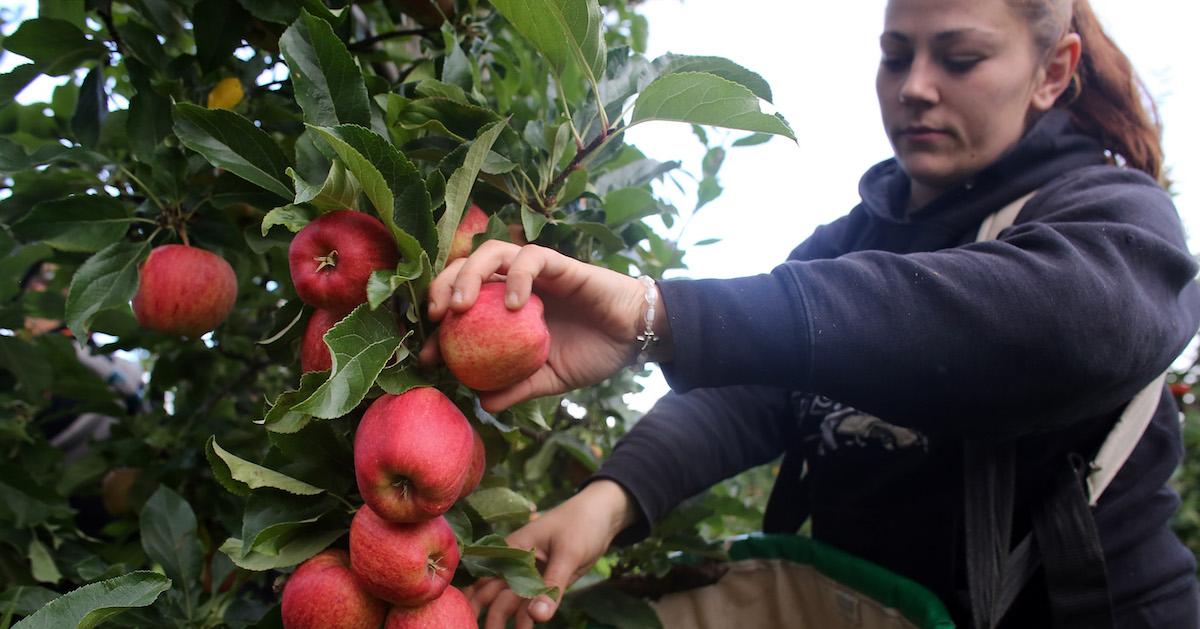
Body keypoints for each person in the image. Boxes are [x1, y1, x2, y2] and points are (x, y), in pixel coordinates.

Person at [421, 0, 1200, 626]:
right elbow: (761, 387)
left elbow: (1059, 325)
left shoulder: (1111, 212)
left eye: (960, 58)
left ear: (1052, 72)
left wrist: (666, 314)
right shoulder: (850, 241)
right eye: (896, 55)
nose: (916, 86)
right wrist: (608, 499)